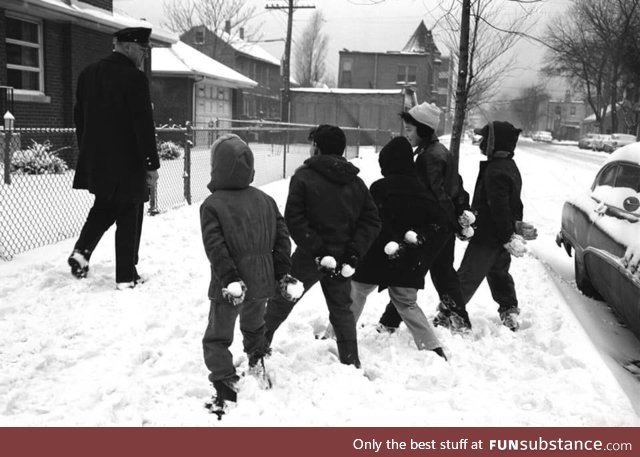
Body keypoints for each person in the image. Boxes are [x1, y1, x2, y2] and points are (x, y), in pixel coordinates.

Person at [264, 125, 381, 368]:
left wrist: (317, 250)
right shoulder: (356, 183)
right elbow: (371, 221)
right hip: (342, 258)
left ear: (316, 147)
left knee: (282, 298)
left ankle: (258, 346)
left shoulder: (303, 177)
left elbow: (295, 219)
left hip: (309, 257)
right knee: (342, 310)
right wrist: (353, 252)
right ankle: (351, 361)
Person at [324, 137, 447, 359]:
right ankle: (432, 347)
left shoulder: (380, 188)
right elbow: (436, 223)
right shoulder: (423, 190)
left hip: (376, 255)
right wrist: (415, 241)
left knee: (355, 294)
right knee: (407, 303)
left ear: (388, 163)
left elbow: (373, 220)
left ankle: (334, 336)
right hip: (408, 258)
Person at [200, 134, 295, 415]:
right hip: (262, 283)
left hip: (231, 286)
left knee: (218, 335)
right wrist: (281, 273)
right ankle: (256, 360)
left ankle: (225, 383)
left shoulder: (213, 204)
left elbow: (215, 247)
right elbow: (282, 239)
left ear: (218, 166)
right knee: (255, 326)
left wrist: (229, 277)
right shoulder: (265, 200)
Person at [68, 27, 159, 290]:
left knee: (104, 206)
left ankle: (81, 252)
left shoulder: (88, 74)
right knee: (130, 214)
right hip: (128, 162)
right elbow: (143, 125)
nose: (144, 55)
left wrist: (88, 150)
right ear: (128, 46)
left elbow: (79, 119)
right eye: (142, 50)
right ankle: (125, 277)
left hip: (98, 160)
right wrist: (151, 165)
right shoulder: (134, 78)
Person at [377, 102, 473, 333]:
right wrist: (458, 216)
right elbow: (457, 186)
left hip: (434, 226)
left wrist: (441, 222)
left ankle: (390, 322)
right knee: (442, 271)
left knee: (412, 271)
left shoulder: (428, 158)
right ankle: (458, 319)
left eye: (410, 130)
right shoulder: (440, 152)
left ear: (424, 130)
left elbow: (434, 195)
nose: (406, 134)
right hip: (444, 224)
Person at [455, 121, 535, 331]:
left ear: (494, 143)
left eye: (485, 139)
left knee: (468, 275)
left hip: (489, 236)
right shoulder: (508, 166)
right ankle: (509, 310)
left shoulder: (496, 171)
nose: (481, 142)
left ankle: (450, 312)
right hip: (499, 235)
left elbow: (499, 207)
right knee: (499, 273)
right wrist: (511, 230)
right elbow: (514, 204)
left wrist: (508, 235)